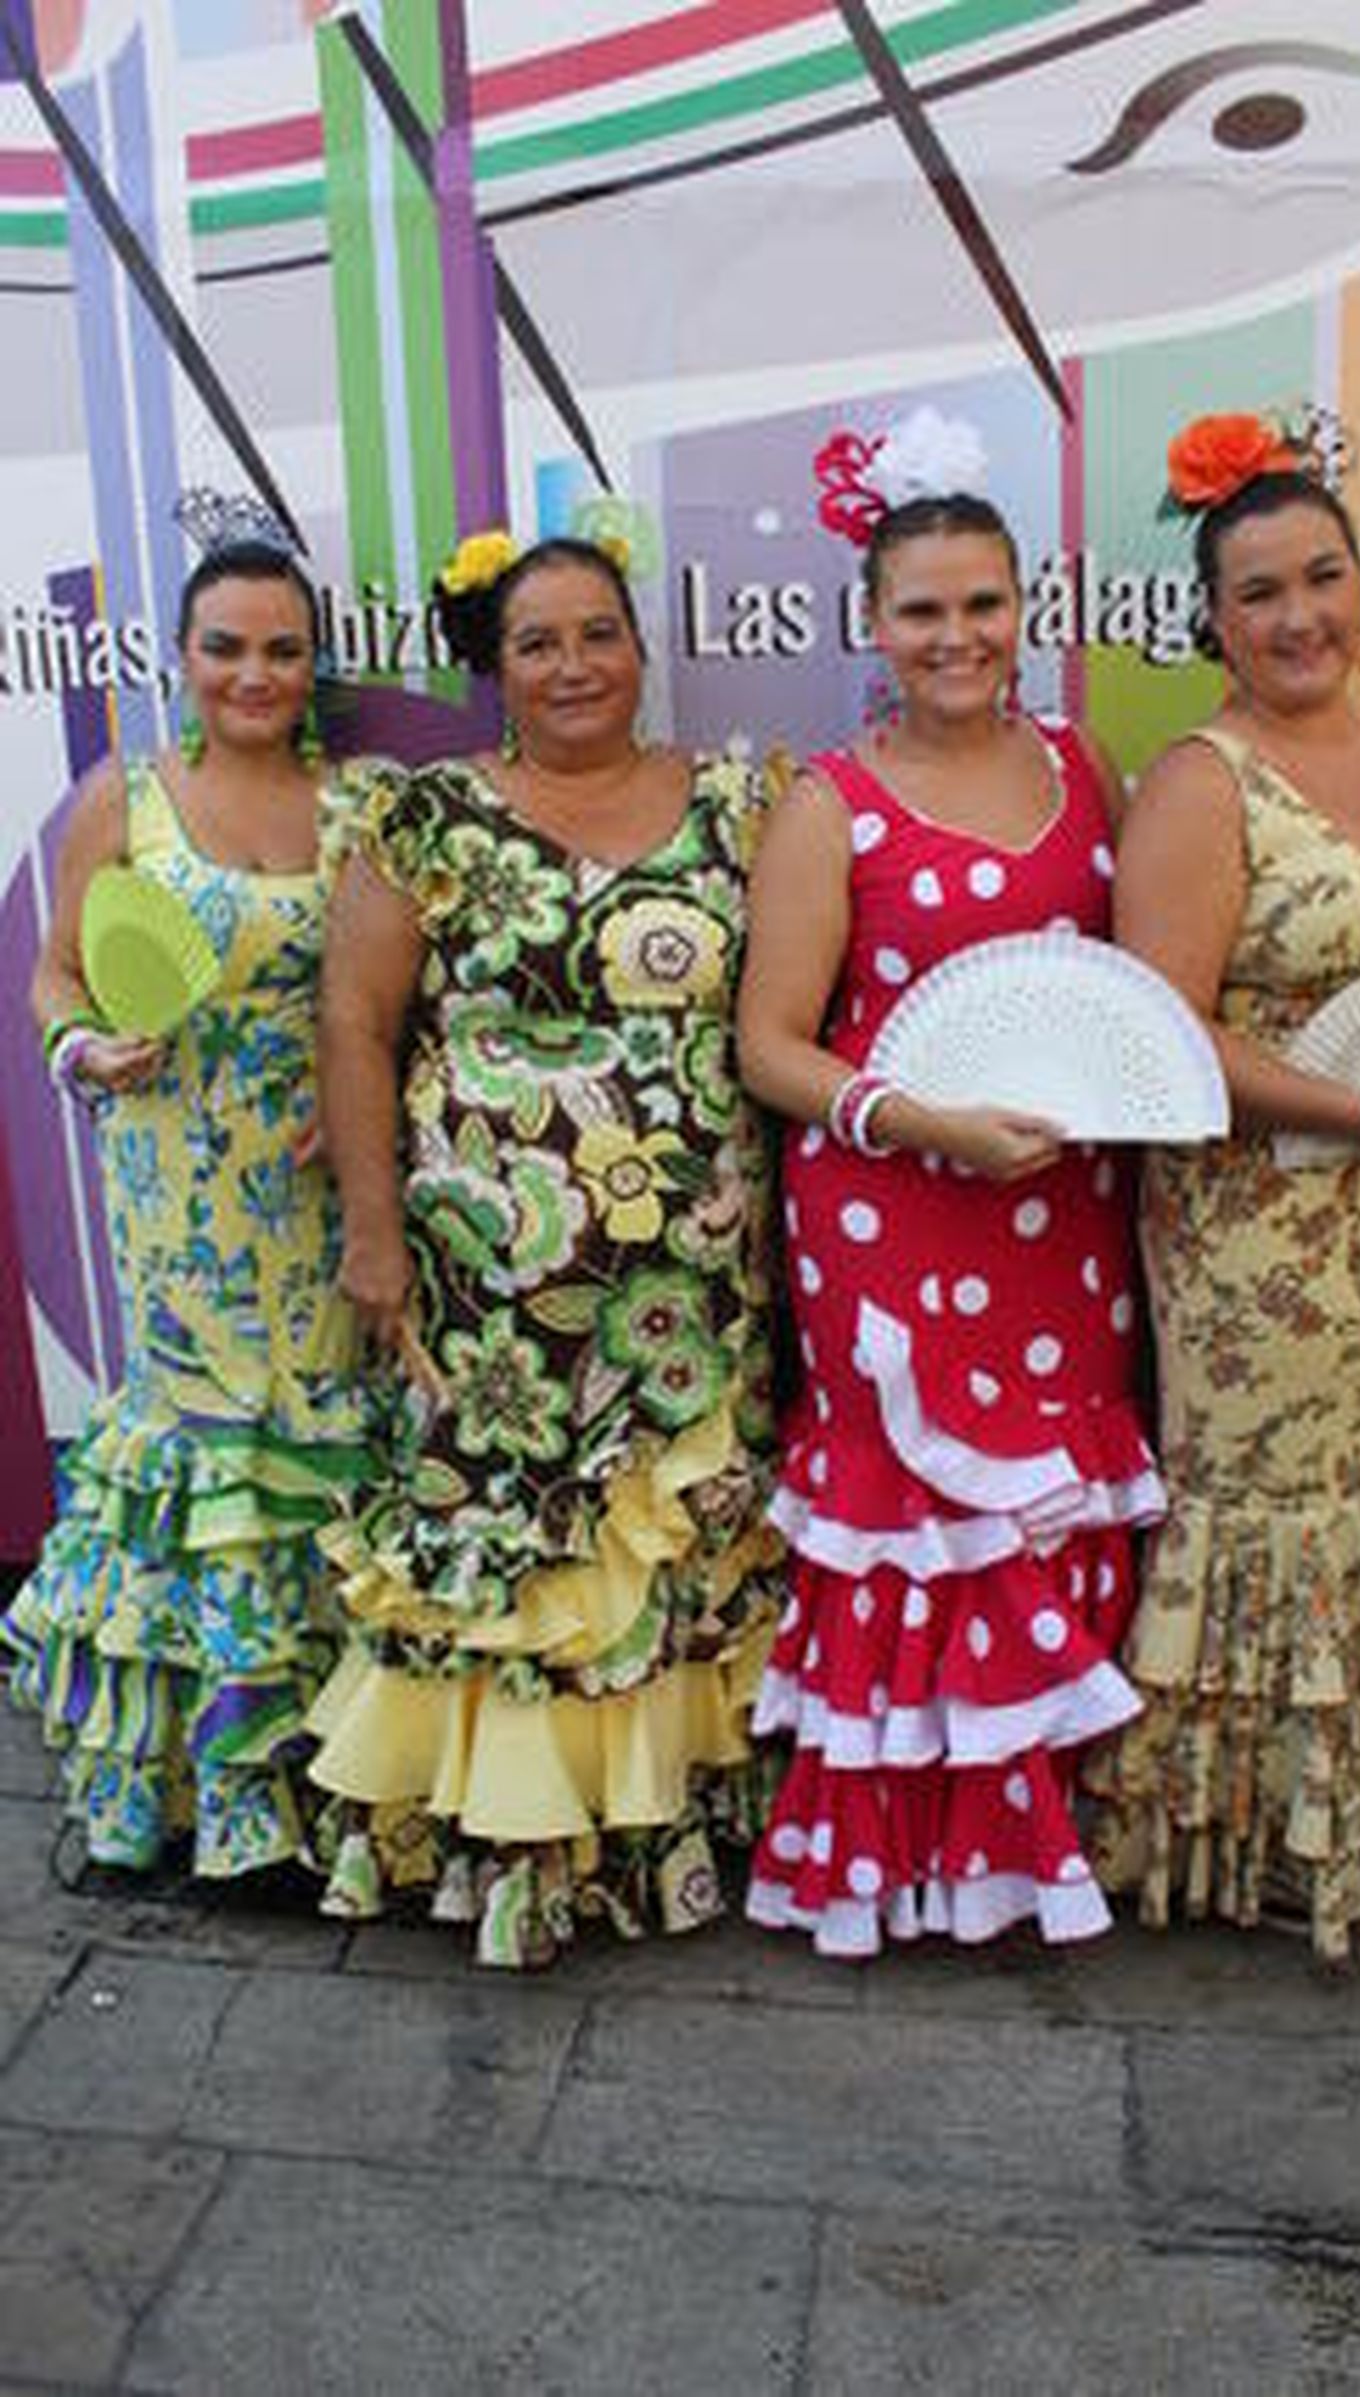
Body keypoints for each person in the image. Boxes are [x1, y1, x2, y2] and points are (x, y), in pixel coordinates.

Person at [1085, 413, 1360, 1967]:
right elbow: (1164, 1028)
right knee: (1281, 1523)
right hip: (1263, 1232)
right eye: (1260, 592)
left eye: (1322, 578)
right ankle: (1249, 1841)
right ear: (1213, 618)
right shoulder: (1205, 786)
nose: (1299, 619)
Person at [309, 531, 783, 1965]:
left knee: (670, 1555)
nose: (576, 665)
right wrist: (376, 1233)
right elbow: (353, 1025)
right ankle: (516, 1851)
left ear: (644, 643)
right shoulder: (429, 818)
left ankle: (671, 1834)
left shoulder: (744, 805)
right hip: (486, 1297)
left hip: (693, 1288)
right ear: (493, 666)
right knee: (513, 1574)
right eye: (538, 642)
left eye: (601, 632)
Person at [737, 490, 1163, 1959]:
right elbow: (774, 1046)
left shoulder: (1083, 763)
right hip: (894, 1216)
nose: (956, 636)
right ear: (873, 622)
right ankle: (906, 1858)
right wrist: (930, 1125)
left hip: (1066, 1221)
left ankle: (1036, 1830)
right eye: (922, 609)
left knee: (1046, 1501)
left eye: (982, 603)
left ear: (1022, 608)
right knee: (921, 1524)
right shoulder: (829, 802)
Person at [3, 535, 374, 1880]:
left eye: (281, 647)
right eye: (226, 646)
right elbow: (54, 975)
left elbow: (390, 998)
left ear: (312, 659)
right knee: (210, 1456)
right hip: (175, 1192)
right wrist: (83, 1054)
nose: (254, 673)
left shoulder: (357, 811)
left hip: (323, 1186)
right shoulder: (129, 797)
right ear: (182, 653)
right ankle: (206, 1794)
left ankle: (329, 1782)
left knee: (317, 1442)